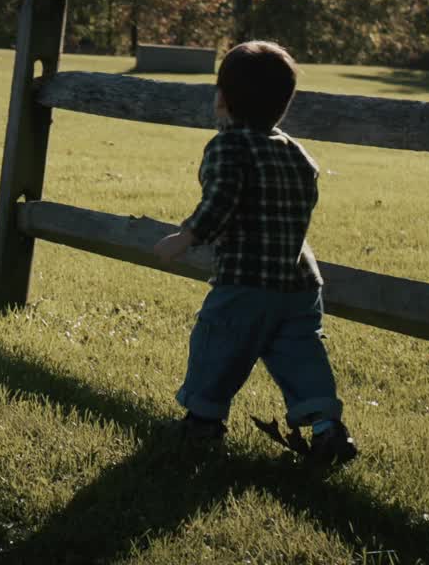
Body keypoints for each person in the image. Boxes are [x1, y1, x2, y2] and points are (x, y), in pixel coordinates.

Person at [152, 41, 357, 466]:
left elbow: (220, 202)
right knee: (301, 351)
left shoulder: (229, 147)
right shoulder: (298, 154)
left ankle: (203, 421)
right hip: (300, 281)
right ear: (283, 104)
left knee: (219, 343)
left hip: (246, 280)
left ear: (223, 99)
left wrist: (185, 237)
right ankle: (326, 428)